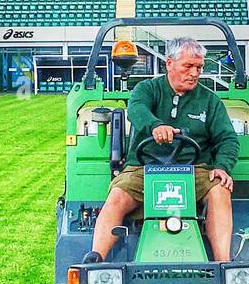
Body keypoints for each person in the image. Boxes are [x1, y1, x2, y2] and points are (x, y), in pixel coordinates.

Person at [86, 36, 239, 263]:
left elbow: (228, 139)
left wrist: (222, 166)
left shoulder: (210, 100)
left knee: (220, 190)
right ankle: (96, 257)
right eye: (188, 66)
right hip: (143, 168)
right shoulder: (147, 89)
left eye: (199, 67)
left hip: (194, 170)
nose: (195, 73)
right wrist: (155, 126)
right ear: (169, 63)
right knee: (117, 195)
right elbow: (136, 109)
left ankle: (224, 264)